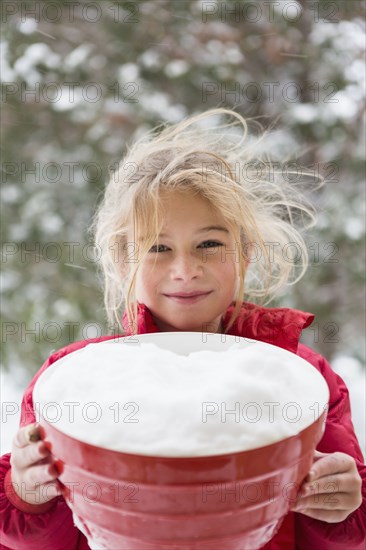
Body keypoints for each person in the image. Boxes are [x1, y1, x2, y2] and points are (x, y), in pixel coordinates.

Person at [0, 109, 364, 550]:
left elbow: (346, 536)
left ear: (246, 252)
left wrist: (344, 505)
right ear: (122, 262)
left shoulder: (305, 383)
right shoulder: (71, 385)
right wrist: (28, 496)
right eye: (158, 248)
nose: (185, 270)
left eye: (209, 244)